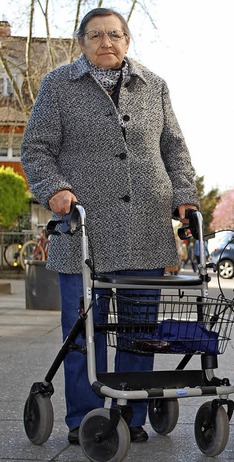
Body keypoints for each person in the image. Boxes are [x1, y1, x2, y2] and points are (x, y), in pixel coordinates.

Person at [20, 8, 198, 445]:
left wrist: (185, 197)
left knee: (140, 332)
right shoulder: (59, 85)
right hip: (84, 230)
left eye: (115, 34)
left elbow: (174, 147)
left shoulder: (153, 85)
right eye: (96, 34)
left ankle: (130, 415)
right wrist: (55, 189)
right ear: (81, 42)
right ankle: (85, 417)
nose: (106, 42)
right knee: (83, 331)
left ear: (127, 41)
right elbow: (36, 148)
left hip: (145, 228)